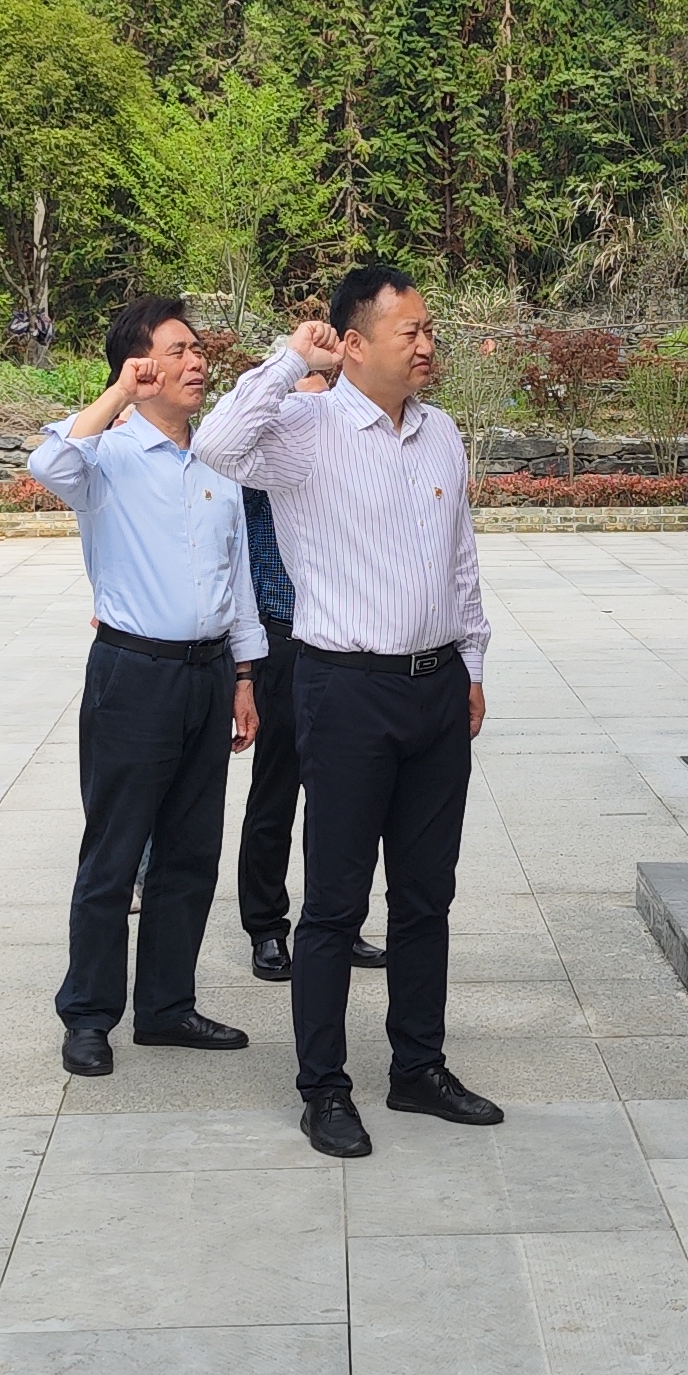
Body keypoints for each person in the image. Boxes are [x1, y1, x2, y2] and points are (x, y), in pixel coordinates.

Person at [198, 266, 501, 1158]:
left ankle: (418, 1067)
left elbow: (460, 560)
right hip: (344, 689)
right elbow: (216, 444)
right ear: (355, 343)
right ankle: (324, 1087)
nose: (427, 344)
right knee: (334, 902)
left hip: (436, 686)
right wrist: (292, 358)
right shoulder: (307, 429)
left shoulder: (441, 433)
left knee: (427, 895)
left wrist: (472, 662)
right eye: (410, 331)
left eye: (430, 329)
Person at [32, 299, 264, 1075]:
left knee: (191, 852)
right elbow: (47, 465)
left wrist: (243, 675)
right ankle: (89, 1014)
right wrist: (118, 396)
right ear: (139, 365)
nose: (197, 362)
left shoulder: (217, 458)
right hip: (133, 675)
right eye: (178, 350)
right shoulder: (107, 454)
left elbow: (237, 577)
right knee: (114, 851)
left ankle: (167, 1007)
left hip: (208, 673)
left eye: (198, 348)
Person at [235, 355, 387, 985]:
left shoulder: (343, 458)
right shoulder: (255, 469)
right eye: (295, 402)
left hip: (345, 651)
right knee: (275, 794)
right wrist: (243, 672)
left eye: (318, 403)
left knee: (346, 798)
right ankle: (266, 928)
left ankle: (338, 921)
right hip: (280, 642)